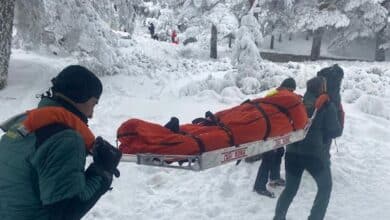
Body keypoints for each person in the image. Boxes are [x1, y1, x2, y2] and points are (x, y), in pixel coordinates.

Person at [0, 65, 122, 220]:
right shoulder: (66, 139)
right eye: (93, 104)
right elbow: (65, 212)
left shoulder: (23, 123)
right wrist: (102, 171)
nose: (91, 114)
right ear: (80, 96)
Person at [274, 75, 343, 220]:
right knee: (325, 187)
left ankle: (278, 218)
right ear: (322, 88)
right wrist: (338, 115)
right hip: (314, 156)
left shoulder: (298, 103)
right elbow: (335, 131)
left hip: (292, 153)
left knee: (290, 190)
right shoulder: (326, 105)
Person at [253, 77, 297, 198]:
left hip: (277, 131)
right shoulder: (275, 95)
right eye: (291, 90)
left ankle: (274, 178)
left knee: (279, 152)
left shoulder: (280, 94)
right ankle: (259, 186)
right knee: (268, 157)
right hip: (268, 132)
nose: (292, 93)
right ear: (287, 87)